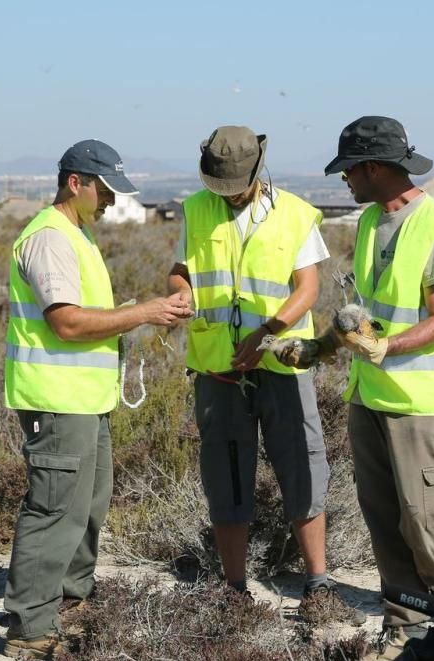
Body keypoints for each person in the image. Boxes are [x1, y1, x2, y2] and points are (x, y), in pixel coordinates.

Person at [3, 139, 194, 659]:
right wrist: (144, 314)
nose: (112, 198)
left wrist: (138, 314)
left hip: (87, 400)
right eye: (105, 188)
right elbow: (65, 321)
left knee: (87, 506)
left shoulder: (78, 235)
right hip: (58, 400)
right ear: (75, 183)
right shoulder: (50, 238)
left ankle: (69, 601)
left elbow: (84, 319)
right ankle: (30, 629)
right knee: (54, 510)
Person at [166, 126, 365, 625]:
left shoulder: (295, 214)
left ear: (258, 170)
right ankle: (234, 591)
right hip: (219, 369)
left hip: (281, 363)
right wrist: (179, 292)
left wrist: (266, 335)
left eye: (234, 183)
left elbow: (308, 288)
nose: (227, 194)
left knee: (303, 465)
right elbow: (180, 269)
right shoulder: (195, 210)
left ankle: (318, 586)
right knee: (225, 473)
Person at [316, 116, 434, 661]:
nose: (345, 182)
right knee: (383, 515)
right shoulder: (368, 224)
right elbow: (365, 311)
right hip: (370, 396)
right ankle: (405, 628)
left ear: (376, 168)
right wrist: (322, 348)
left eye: (350, 171)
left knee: (421, 515)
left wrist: (388, 349)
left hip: (418, 404)